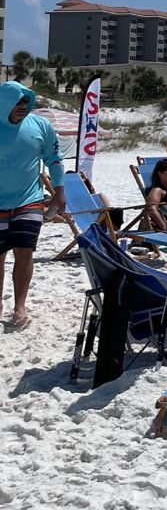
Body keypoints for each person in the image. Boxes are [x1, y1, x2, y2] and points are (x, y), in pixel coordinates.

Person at [0, 83, 67, 330]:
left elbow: (54, 158)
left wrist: (59, 191)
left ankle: (19, 305)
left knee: (24, 251)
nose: (23, 107)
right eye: (17, 102)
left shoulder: (40, 126)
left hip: (29, 200)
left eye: (26, 101)